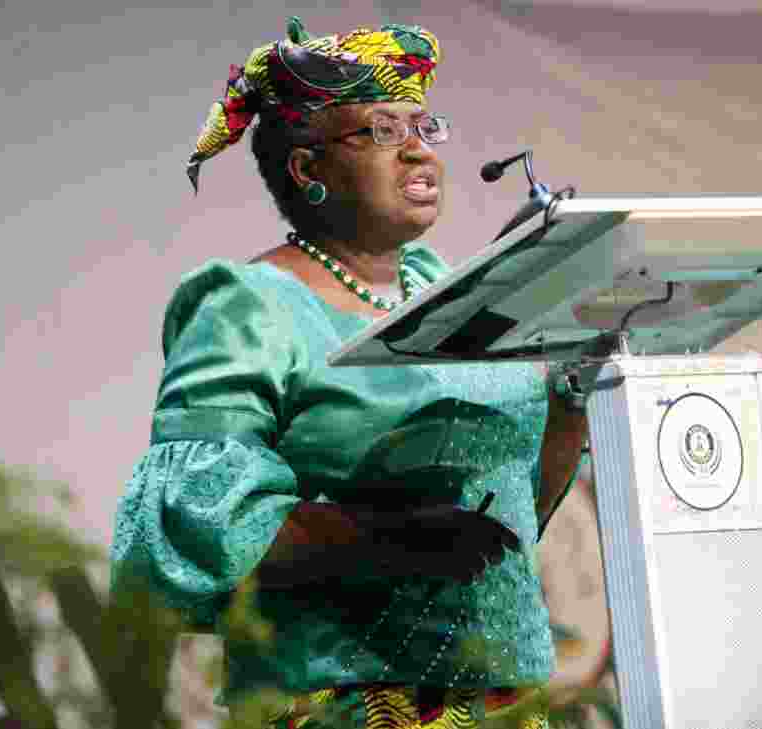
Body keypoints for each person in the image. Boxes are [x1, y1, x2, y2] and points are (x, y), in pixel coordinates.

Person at [109, 17, 589, 729]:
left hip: (505, 708)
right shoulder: (249, 309)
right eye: (384, 131)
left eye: (425, 126)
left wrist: (573, 386)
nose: (420, 150)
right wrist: (396, 542)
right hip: (342, 708)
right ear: (309, 170)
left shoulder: (451, 291)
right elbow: (198, 528)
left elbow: (514, 503)